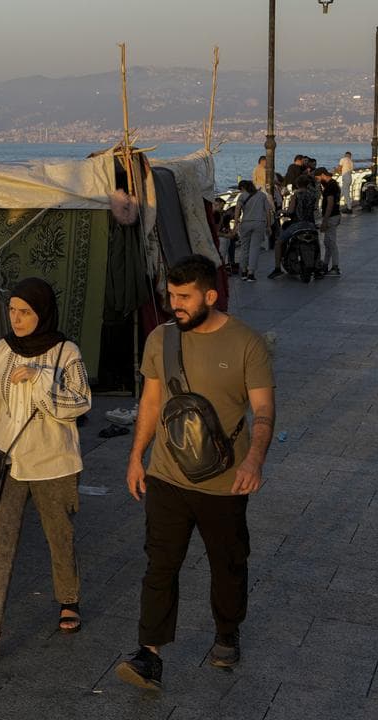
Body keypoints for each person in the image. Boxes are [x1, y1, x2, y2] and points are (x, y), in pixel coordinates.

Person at [115, 254, 276, 690]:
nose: (176, 305)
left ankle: (227, 631)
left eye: (184, 297)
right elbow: (151, 402)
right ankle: (148, 654)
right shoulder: (160, 339)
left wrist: (254, 459)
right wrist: (136, 456)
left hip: (225, 481)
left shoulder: (247, 343)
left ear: (210, 295)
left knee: (228, 563)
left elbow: (264, 409)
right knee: (160, 564)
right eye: (171, 296)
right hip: (167, 475)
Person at [0, 277, 92, 661]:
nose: (16, 319)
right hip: (8, 461)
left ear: (42, 313)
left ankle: (68, 599)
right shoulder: (2, 350)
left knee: (59, 536)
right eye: (12, 311)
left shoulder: (66, 352)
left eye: (26, 312)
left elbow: (80, 402)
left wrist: (39, 378)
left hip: (54, 462)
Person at [233, 180, 271, 282]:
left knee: (244, 248)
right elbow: (267, 211)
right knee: (254, 248)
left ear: (242, 188)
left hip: (246, 223)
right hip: (259, 223)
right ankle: (251, 273)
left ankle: (243, 272)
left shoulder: (242, 196)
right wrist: (269, 226)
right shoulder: (262, 195)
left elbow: (237, 210)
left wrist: (235, 223)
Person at [316, 167, 342, 276]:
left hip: (331, 217)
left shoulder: (330, 187)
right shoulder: (334, 184)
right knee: (327, 242)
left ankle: (335, 266)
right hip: (335, 215)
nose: (318, 180)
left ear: (322, 175)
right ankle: (326, 264)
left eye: (318, 178)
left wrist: (325, 220)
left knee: (331, 242)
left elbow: (330, 204)